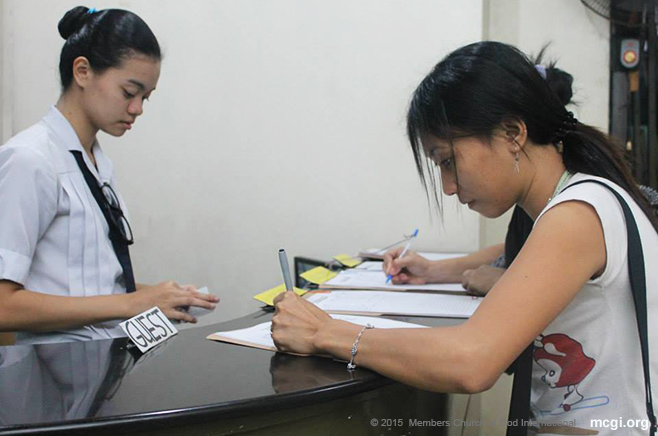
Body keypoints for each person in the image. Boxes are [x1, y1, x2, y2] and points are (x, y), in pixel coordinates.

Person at [271, 41, 657, 434]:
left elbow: (471, 361)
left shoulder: (577, 214)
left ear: (512, 133)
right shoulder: (572, 203)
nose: (449, 187)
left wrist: (324, 332)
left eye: (448, 161)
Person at [0, 6, 218, 344]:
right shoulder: (30, 159)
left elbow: (87, 288)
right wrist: (131, 302)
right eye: (129, 93)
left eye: (146, 97)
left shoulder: (95, 162)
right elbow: (3, 306)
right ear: (83, 71)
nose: (138, 109)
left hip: (102, 361)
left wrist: (161, 297)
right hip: (55, 375)